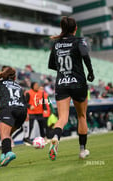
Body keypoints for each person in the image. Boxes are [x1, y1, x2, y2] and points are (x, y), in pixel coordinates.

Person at [48, 16, 95, 161]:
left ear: (62, 28)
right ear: (75, 29)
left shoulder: (56, 44)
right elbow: (85, 54)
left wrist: (63, 71)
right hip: (78, 83)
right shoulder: (79, 40)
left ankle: (56, 137)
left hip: (62, 83)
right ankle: (82, 150)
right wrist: (90, 72)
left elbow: (51, 65)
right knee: (82, 116)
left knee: (62, 117)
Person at [0, 66, 27, 167]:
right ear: (14, 77)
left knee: (4, 134)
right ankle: (3, 156)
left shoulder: (0, 83)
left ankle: (9, 153)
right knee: (7, 134)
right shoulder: (19, 86)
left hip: (8, 109)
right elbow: (24, 101)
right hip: (22, 112)